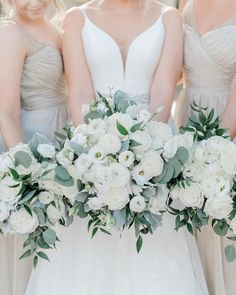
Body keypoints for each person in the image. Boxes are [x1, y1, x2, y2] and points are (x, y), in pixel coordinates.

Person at [26, 1, 208, 294]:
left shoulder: (168, 17)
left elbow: (163, 88)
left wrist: (143, 153)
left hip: (155, 145)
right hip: (92, 147)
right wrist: (97, 154)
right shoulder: (77, 18)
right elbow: (80, 91)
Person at [0, 0, 69, 294]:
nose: (34, 2)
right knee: (38, 228)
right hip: (34, 137)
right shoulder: (11, 34)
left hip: (62, 130)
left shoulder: (54, 26)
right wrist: (25, 173)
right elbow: (6, 111)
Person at [175, 0, 236, 294]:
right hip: (187, 119)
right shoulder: (186, 4)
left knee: (219, 210)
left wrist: (215, 153)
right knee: (187, 217)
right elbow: (175, 71)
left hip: (228, 122)